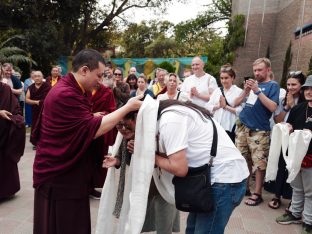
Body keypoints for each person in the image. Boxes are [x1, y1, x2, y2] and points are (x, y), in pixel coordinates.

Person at [32, 48, 142, 234]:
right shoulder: (65, 93)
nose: (100, 81)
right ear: (84, 70)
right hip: (60, 178)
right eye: (98, 75)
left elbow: (82, 124)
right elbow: (91, 128)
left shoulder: (74, 89)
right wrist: (127, 108)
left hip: (69, 174)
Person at [150, 100, 248, 233]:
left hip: (223, 181)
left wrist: (151, 156)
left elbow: (180, 168)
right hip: (215, 180)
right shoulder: (175, 112)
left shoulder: (170, 119)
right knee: (191, 230)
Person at [103, 111, 180, 233]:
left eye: (126, 125)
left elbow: (173, 161)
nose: (123, 129)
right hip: (143, 185)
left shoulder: (157, 129)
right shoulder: (126, 135)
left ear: (135, 119)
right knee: (136, 223)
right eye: (119, 126)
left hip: (163, 183)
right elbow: (126, 159)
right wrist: (117, 161)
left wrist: (144, 150)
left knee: (164, 225)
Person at [234, 57, 280, 205]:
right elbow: (235, 103)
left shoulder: (273, 86)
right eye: (255, 70)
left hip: (259, 130)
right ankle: (244, 188)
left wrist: (257, 91)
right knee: (243, 159)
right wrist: (246, 91)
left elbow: (273, 107)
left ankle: (258, 193)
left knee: (259, 163)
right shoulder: (252, 85)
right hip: (243, 127)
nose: (256, 73)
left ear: (268, 70)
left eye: (260, 70)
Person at [275, 75, 312, 234]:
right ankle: (295, 213)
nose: (309, 92)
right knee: (297, 187)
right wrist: (288, 127)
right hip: (296, 155)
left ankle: (309, 220)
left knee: (311, 191)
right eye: (307, 89)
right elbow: (292, 126)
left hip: (311, 157)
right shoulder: (298, 108)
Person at [266, 71, 306, 209]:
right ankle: (277, 195)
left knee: (293, 167)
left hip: (297, 140)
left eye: (294, 84)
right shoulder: (284, 98)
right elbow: (278, 119)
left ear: (302, 85)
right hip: (283, 138)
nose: (290, 87)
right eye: (288, 84)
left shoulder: (306, 101)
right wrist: (287, 106)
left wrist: (294, 107)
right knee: (281, 165)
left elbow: (302, 119)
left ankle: (292, 199)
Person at [88, 78, 117, 199]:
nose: (97, 81)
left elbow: (111, 111)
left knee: (96, 159)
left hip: (100, 130)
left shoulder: (107, 92)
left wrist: (99, 115)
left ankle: (92, 187)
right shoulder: (84, 88)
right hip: (84, 128)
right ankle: (84, 187)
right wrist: (91, 115)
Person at [0, 80, 26, 200]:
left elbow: (15, 109)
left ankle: (5, 191)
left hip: (4, 130)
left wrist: (17, 118)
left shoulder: (5, 88)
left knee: (5, 160)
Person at [206, 64, 243, 142]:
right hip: (216, 127)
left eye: (226, 78)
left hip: (230, 129)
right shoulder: (217, 91)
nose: (223, 81)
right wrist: (218, 106)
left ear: (232, 78)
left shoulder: (238, 91)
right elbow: (207, 107)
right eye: (221, 78)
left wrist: (226, 106)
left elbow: (241, 111)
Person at [26, 70, 51, 150]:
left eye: (39, 76)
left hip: (45, 110)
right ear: (33, 78)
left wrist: (42, 102)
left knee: (45, 125)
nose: (37, 78)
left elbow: (51, 97)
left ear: (42, 77)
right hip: (35, 109)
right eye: (35, 76)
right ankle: (36, 143)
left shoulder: (47, 86)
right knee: (35, 125)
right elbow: (27, 99)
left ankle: (46, 142)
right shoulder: (31, 87)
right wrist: (36, 102)